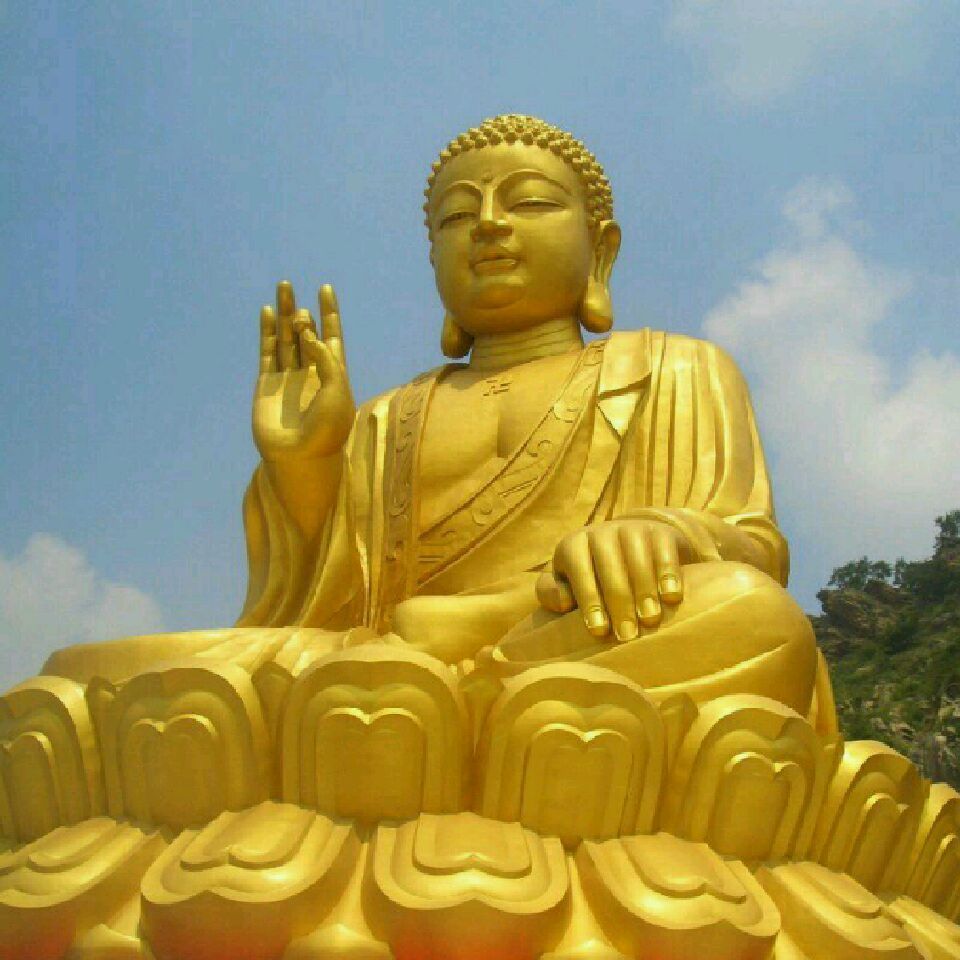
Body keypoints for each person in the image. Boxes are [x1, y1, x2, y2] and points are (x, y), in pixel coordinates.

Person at [238, 114, 822, 720]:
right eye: (457, 217)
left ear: (601, 249)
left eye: (531, 203)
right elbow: (321, 605)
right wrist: (303, 463)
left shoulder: (675, 367)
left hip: (584, 637)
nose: (489, 224)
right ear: (434, 256)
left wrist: (663, 534)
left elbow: (755, 550)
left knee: (752, 615)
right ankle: (443, 692)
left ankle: (444, 686)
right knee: (189, 662)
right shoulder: (382, 421)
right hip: (396, 663)